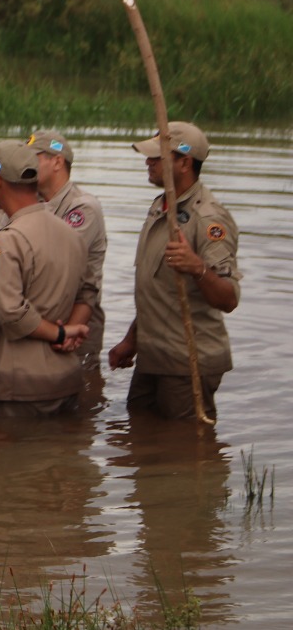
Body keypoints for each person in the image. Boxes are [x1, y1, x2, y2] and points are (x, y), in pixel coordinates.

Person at [108, 122, 240, 420]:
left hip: (187, 362)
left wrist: (197, 268)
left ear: (184, 163)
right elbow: (158, 290)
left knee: (186, 454)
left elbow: (228, 299)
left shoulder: (208, 218)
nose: (148, 161)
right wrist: (132, 339)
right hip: (154, 355)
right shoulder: (160, 207)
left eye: (157, 156)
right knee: (141, 439)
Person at [0, 142, 89, 415]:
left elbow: (11, 313)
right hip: (65, 379)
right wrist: (70, 333)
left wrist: (60, 333)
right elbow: (87, 294)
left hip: (19, 386)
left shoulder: (7, 240)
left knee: (2, 456)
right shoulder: (71, 234)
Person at [27, 129, 107, 362]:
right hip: (42, 315)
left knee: (80, 391)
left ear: (57, 162)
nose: (26, 165)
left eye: (33, 158)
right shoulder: (33, 201)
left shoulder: (83, 208)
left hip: (77, 315)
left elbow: (53, 259)